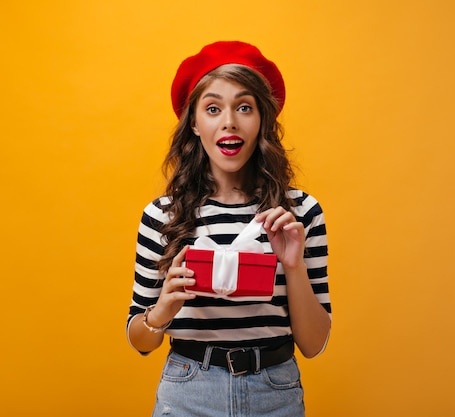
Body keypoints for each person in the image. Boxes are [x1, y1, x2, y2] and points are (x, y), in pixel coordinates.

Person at [126, 41, 331, 417]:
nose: (229, 122)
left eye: (244, 107)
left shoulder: (299, 213)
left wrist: (294, 265)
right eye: (213, 108)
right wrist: (161, 311)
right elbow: (139, 339)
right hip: (188, 391)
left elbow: (314, 344)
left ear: (262, 120)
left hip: (276, 391)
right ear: (194, 123)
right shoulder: (163, 215)